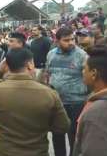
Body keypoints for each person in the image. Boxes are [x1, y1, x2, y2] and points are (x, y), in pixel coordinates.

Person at [0, 48, 70, 156]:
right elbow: (63, 126)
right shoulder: (49, 94)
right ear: (30, 65)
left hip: (3, 152)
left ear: (6, 65)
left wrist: (0, 70)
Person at [45, 27, 88, 156]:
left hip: (76, 103)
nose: (71, 42)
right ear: (57, 41)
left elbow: (89, 79)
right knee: (57, 134)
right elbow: (48, 74)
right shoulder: (51, 54)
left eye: (72, 39)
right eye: (66, 40)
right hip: (57, 102)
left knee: (74, 136)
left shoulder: (82, 55)